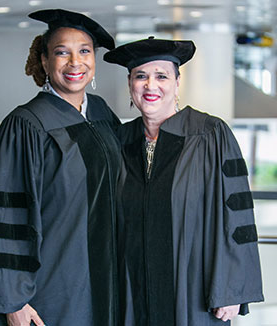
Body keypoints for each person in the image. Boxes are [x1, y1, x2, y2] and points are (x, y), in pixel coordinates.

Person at [0, 9, 121, 326]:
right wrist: (13, 300)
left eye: (84, 51)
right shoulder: (25, 126)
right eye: (61, 52)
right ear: (44, 61)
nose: (75, 62)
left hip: (102, 281)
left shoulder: (101, 114)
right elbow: (4, 216)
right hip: (49, 290)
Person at [103, 37, 264, 325]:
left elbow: (236, 212)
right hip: (133, 290)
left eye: (161, 76)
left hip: (193, 290)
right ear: (130, 84)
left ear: (177, 83)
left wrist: (231, 288)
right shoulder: (120, 140)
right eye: (141, 76)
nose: (151, 85)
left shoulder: (210, 134)